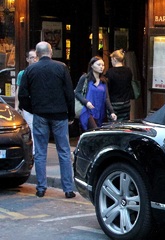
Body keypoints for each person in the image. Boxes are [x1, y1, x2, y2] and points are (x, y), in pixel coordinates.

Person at [17, 41, 76, 199]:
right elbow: (70, 95)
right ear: (51, 52)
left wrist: (33, 109)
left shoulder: (30, 69)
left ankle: (41, 188)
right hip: (59, 114)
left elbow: (22, 96)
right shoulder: (61, 67)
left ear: (36, 54)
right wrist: (70, 114)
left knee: (41, 152)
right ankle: (68, 189)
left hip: (40, 114)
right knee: (64, 151)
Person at [75, 56, 117, 131]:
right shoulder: (85, 78)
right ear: (91, 65)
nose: (101, 67)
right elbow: (77, 93)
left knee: (95, 135)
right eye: (99, 65)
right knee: (94, 130)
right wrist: (86, 102)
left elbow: (106, 98)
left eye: (103, 65)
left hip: (100, 111)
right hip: (87, 111)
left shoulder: (104, 81)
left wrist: (112, 112)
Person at [14, 49, 38, 145]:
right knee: (32, 127)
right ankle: (34, 152)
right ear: (27, 59)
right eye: (32, 57)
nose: (35, 59)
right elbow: (18, 91)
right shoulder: (22, 73)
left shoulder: (40, 72)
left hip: (39, 105)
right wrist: (16, 107)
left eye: (36, 57)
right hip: (27, 105)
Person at [105, 49, 133, 121]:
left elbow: (107, 89)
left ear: (114, 59)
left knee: (112, 125)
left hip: (114, 103)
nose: (111, 62)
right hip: (126, 102)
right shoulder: (128, 71)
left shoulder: (110, 72)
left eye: (111, 59)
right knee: (124, 124)